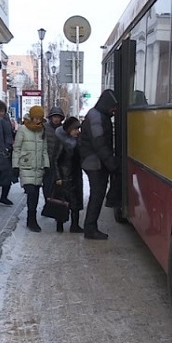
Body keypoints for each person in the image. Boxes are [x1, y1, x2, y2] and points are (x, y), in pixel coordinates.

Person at [79, 89, 119, 240]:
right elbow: (99, 143)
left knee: (97, 195)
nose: (114, 110)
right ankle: (90, 228)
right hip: (94, 163)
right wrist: (111, 163)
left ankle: (90, 227)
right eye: (113, 106)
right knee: (97, 195)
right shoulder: (97, 117)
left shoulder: (98, 114)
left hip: (94, 161)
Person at [13, 105, 49, 232]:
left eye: (40, 118)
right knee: (31, 193)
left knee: (36, 194)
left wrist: (47, 165)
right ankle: (31, 219)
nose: (37, 121)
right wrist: (15, 166)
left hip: (38, 167)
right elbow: (16, 149)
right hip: (26, 166)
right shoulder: (22, 129)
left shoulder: (42, 130)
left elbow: (44, 150)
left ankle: (32, 219)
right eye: (35, 118)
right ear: (31, 117)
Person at [51, 116, 84, 233]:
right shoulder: (61, 141)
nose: (77, 132)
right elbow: (55, 160)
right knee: (61, 202)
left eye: (78, 129)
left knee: (76, 203)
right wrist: (58, 177)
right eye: (75, 129)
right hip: (64, 177)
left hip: (75, 176)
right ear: (69, 129)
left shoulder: (79, 141)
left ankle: (75, 225)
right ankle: (59, 225)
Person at [0, 101, 17, 206]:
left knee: (7, 177)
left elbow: (9, 136)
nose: (0, 114)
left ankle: (4, 197)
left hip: (6, 153)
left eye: (2, 111)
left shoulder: (7, 121)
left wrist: (8, 147)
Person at [43, 106, 66, 201]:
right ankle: (47, 202)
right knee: (47, 185)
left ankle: (55, 204)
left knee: (58, 186)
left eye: (58, 117)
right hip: (47, 161)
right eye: (54, 116)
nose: (56, 119)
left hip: (58, 163)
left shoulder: (64, 130)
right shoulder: (44, 128)